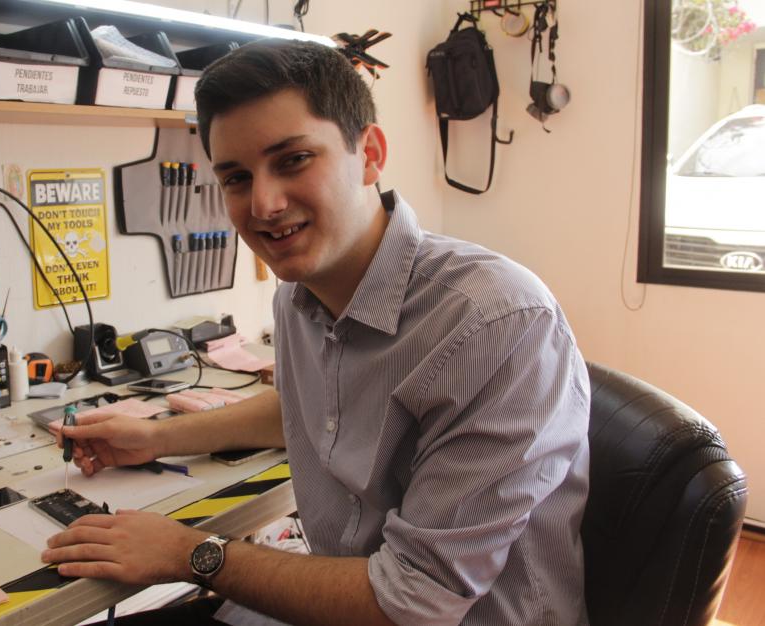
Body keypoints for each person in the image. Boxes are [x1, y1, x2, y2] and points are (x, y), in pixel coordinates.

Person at [43, 39, 590, 626]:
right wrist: (155, 438)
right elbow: (311, 408)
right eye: (235, 177)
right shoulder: (298, 296)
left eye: (293, 160)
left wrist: (188, 554)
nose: (264, 204)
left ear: (370, 154)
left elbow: (412, 603)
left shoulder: (496, 324)